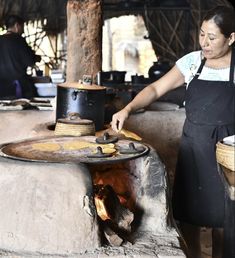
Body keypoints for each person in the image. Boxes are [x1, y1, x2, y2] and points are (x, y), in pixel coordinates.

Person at [111, 5, 235, 258]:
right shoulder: (192, 63)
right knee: (188, 218)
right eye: (202, 34)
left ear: (231, 38)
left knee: (225, 225)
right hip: (194, 151)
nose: (204, 43)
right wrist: (128, 108)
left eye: (212, 38)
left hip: (228, 156)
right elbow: (156, 90)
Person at [0, 15, 41, 99]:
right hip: (19, 87)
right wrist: (36, 58)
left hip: (2, 88)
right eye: (22, 27)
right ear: (17, 26)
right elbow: (29, 61)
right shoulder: (19, 40)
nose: (23, 30)